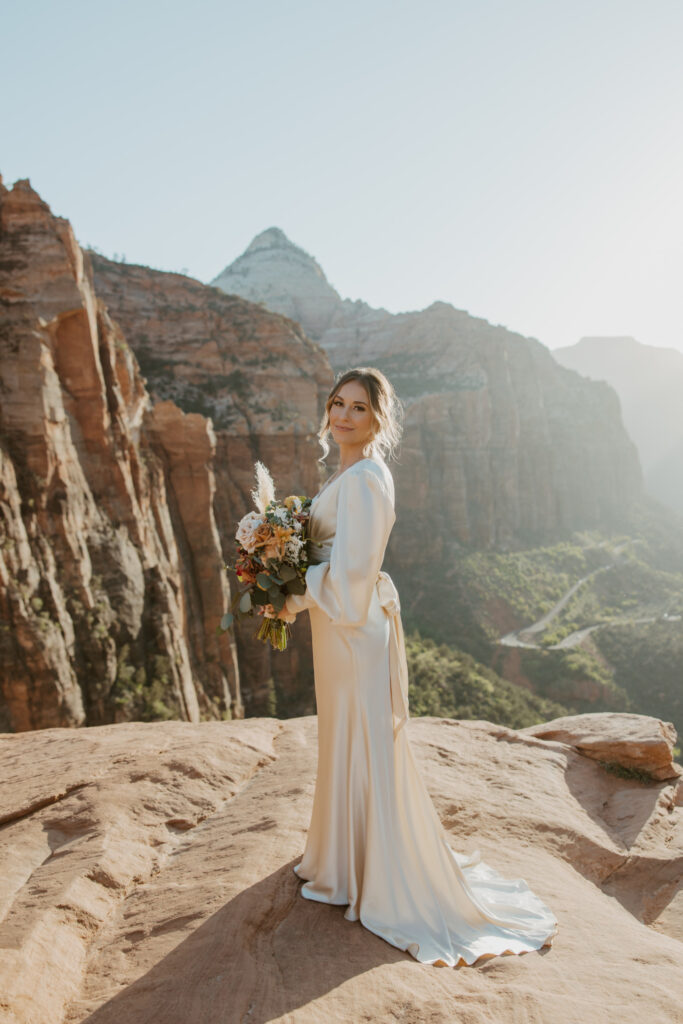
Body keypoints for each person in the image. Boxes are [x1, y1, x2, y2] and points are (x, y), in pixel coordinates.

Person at [279, 366, 559, 967]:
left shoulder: (368, 479)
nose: (344, 415)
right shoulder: (348, 474)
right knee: (344, 739)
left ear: (379, 419)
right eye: (337, 404)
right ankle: (343, 859)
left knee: (365, 744)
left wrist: (291, 590)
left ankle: (372, 873)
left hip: (354, 634)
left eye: (359, 407)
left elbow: (352, 581)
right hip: (341, 637)